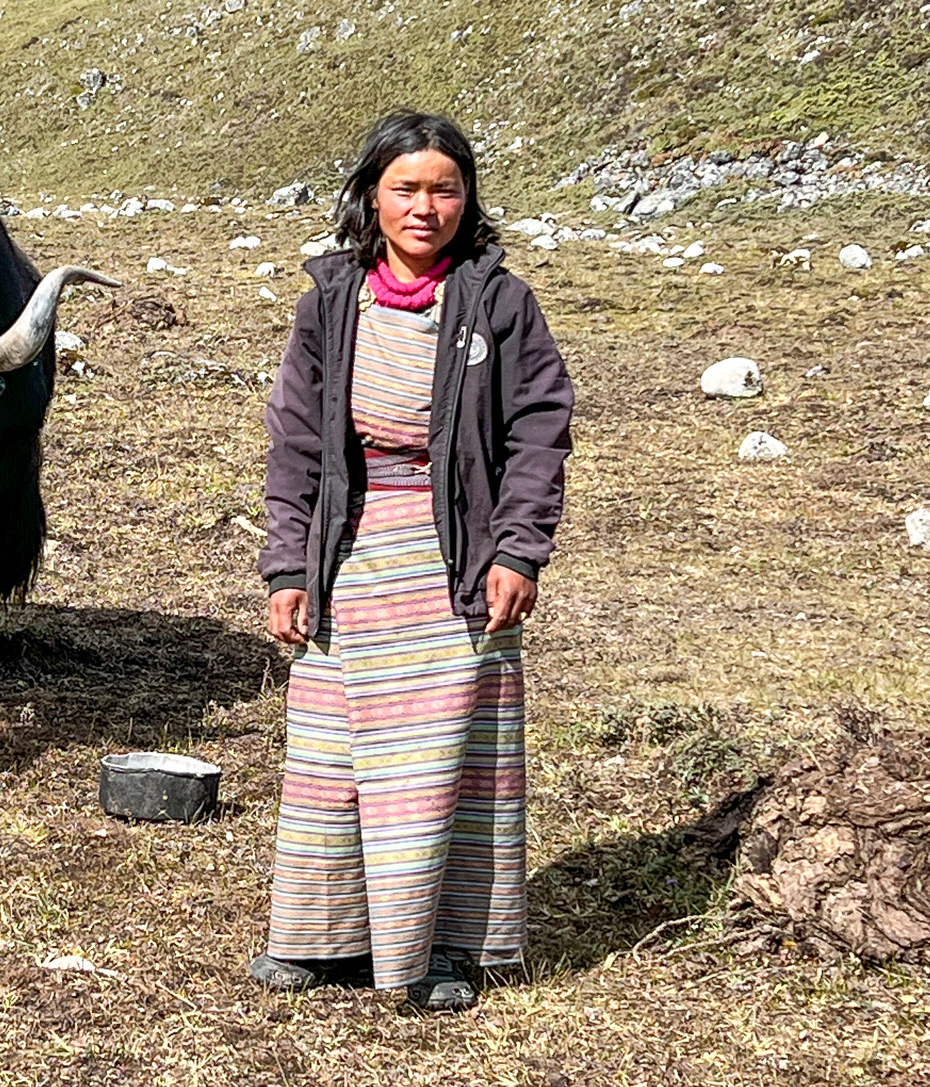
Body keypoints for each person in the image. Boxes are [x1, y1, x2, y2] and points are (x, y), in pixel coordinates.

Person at [252, 110, 573, 1011]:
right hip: (347, 554)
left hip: (457, 562)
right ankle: (321, 942)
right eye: (406, 188)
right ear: (372, 197)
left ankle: (435, 951)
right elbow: (295, 441)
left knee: (438, 763)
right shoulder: (330, 302)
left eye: (445, 188)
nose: (425, 207)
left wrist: (518, 549)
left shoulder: (500, 304)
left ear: (466, 201)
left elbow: (539, 433)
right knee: (331, 754)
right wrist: (287, 567)